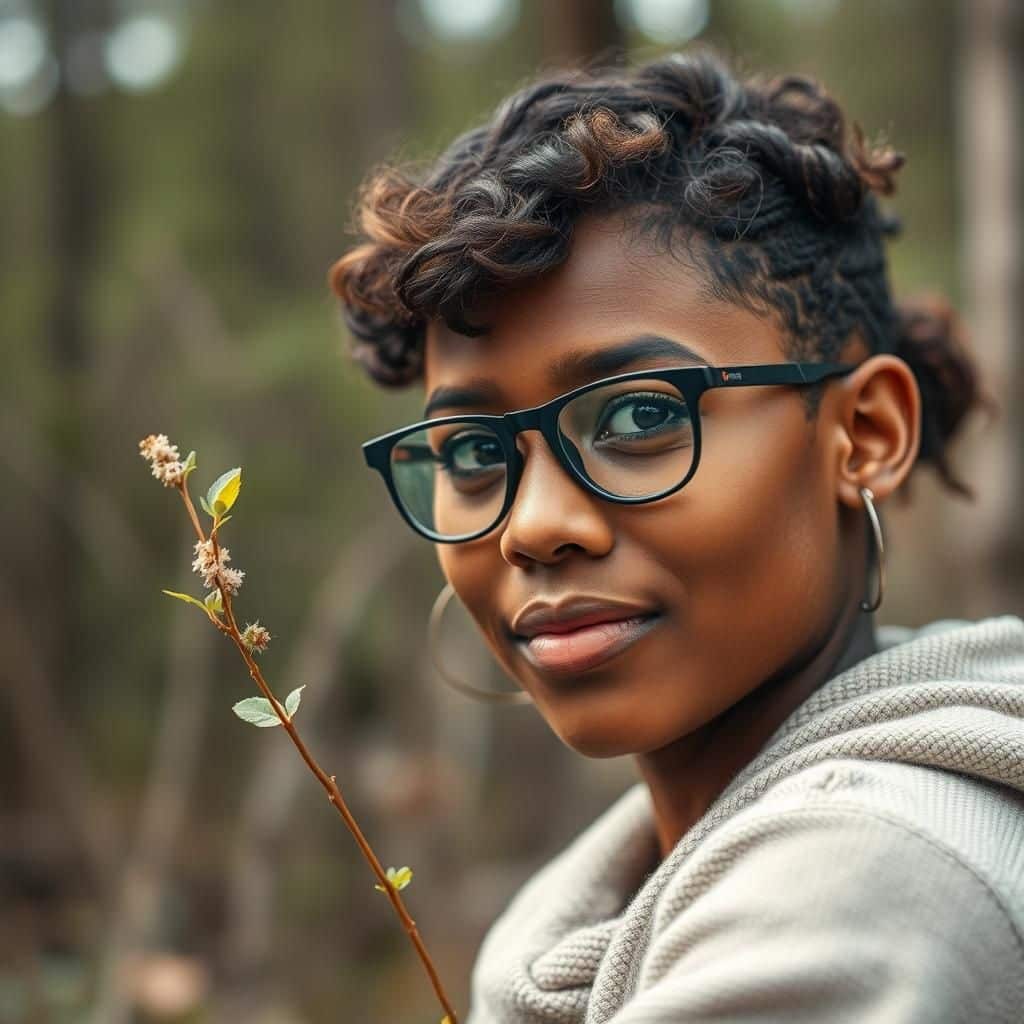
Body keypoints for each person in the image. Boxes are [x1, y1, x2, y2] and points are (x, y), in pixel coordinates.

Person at [328, 45, 1024, 1023]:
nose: (533, 527)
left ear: (865, 435)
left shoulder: (869, 890)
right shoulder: (607, 897)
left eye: (639, 419)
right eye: (472, 452)